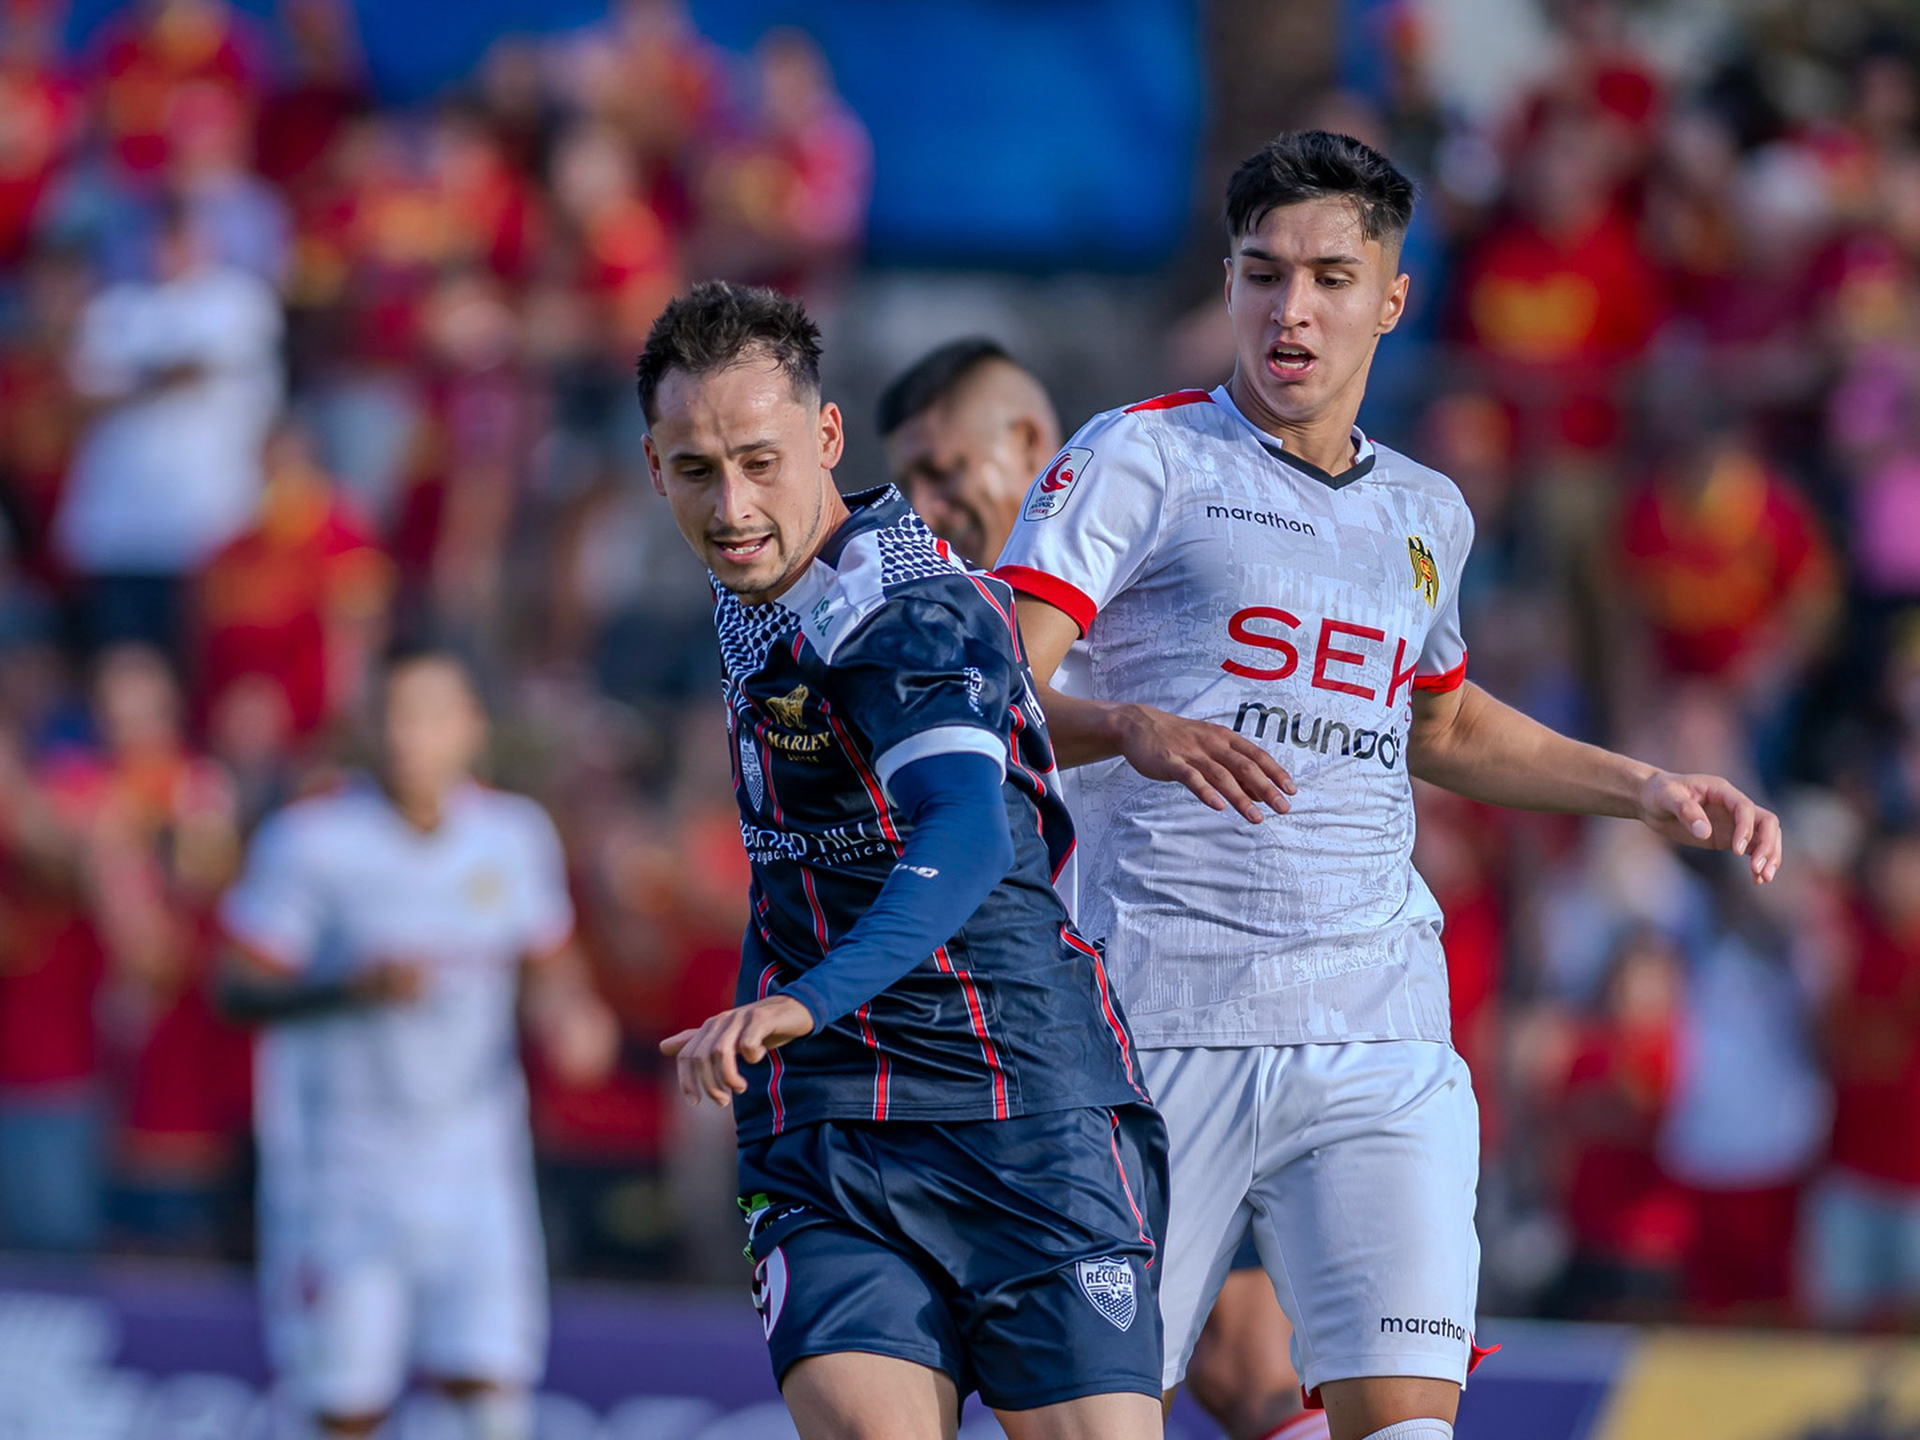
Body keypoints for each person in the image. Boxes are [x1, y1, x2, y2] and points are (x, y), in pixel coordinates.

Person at [994, 130, 1782, 1440]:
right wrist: (1128, 726)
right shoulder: (1141, 459)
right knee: (1090, 1426)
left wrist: (1642, 787)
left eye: (1327, 277)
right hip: (1159, 1018)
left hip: (1380, 1027)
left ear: (1393, 299)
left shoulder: (1427, 514)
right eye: (1260, 275)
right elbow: (996, 689)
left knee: (1407, 1424)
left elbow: (1445, 726)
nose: (1289, 309)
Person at [641, 280, 1165, 1440]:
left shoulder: (904, 612)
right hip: (827, 1115)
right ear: (654, 465)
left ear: (826, 438)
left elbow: (967, 828)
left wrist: (797, 1001)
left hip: (1020, 1099)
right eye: (696, 471)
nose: (731, 506)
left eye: (761, 462)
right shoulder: (758, 588)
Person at [879, 335, 1325, 1440]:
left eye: (945, 471)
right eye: (907, 483)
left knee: (1221, 1361)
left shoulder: (1144, 567)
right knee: (1214, 1367)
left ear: (1029, 445)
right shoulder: (935, 624)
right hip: (1066, 1042)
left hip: (1180, 1013)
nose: (923, 505)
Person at [217, 644, 618, 1440]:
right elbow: (234, 989)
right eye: (395, 715)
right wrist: (349, 989)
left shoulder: (512, 836)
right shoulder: (313, 842)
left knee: (490, 1389)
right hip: (343, 1167)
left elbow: (549, 966)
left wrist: (571, 1015)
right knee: (345, 1406)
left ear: (471, 729)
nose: (410, 737)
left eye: (431, 715)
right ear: (369, 727)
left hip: (476, 1160)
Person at [54, 199, 282, 659]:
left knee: (200, 664)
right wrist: (159, 377)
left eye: (182, 237)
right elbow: (81, 399)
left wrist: (138, 379)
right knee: (126, 665)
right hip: (121, 533)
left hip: (209, 524)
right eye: (161, 238)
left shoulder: (238, 302)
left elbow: (202, 369)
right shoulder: (115, 308)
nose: (170, 250)